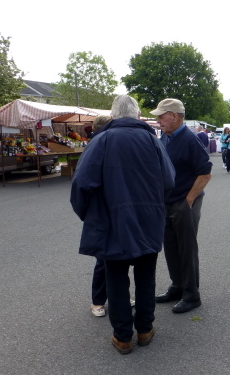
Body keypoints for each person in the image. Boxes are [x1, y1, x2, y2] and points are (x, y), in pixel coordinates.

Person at [70, 95, 175, 355]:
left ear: (114, 115)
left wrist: (90, 216)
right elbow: (169, 180)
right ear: (137, 115)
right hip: (148, 221)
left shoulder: (102, 140)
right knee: (145, 276)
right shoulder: (153, 140)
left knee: (115, 278)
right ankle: (145, 329)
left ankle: (123, 336)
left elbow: (81, 185)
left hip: (112, 221)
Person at [151, 98, 213, 314]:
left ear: (174, 116)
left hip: (184, 201)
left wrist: (189, 199)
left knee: (186, 248)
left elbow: (205, 172)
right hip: (168, 201)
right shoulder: (165, 137)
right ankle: (177, 286)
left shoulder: (189, 139)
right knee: (170, 246)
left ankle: (191, 294)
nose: (158, 120)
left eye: (161, 116)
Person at [86, 113, 114, 317]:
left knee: (118, 257)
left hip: (113, 208)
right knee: (103, 258)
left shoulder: (108, 143)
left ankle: (116, 296)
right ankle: (97, 301)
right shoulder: (97, 145)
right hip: (101, 209)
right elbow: (84, 183)